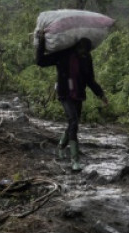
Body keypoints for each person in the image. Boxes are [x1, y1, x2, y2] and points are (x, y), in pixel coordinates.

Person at [35, 33, 108, 171]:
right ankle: (75, 160)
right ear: (76, 47)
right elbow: (41, 61)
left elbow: (90, 79)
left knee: (73, 123)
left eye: (85, 51)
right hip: (65, 93)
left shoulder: (86, 58)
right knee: (73, 121)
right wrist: (41, 42)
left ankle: (60, 147)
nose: (83, 53)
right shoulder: (63, 55)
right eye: (81, 50)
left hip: (78, 94)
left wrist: (101, 94)